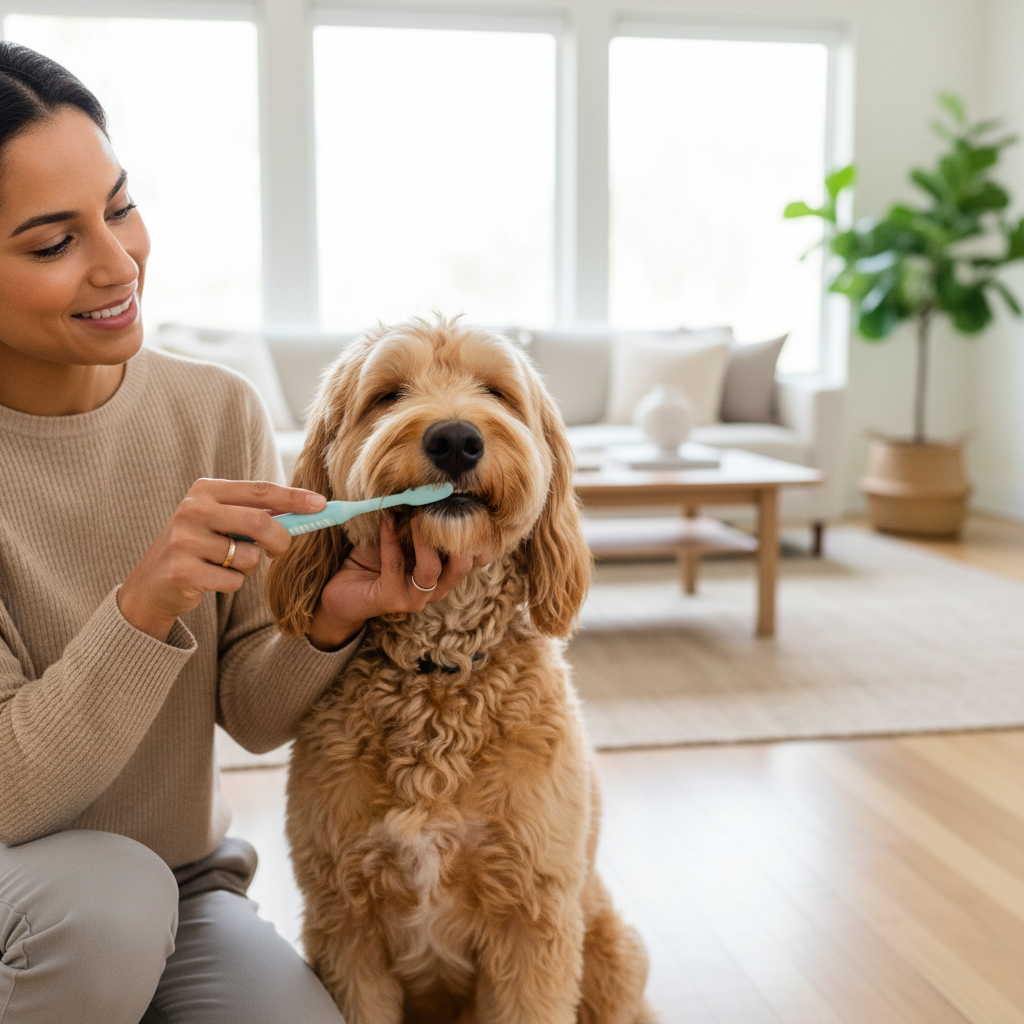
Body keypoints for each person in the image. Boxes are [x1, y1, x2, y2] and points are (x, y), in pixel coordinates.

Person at [0, 42, 485, 1024]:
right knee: (102, 910)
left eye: (121, 206)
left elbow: (251, 712)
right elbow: (11, 800)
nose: (116, 261)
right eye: (53, 243)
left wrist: (329, 618)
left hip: (181, 889)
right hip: (33, 892)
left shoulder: (215, 409)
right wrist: (144, 605)